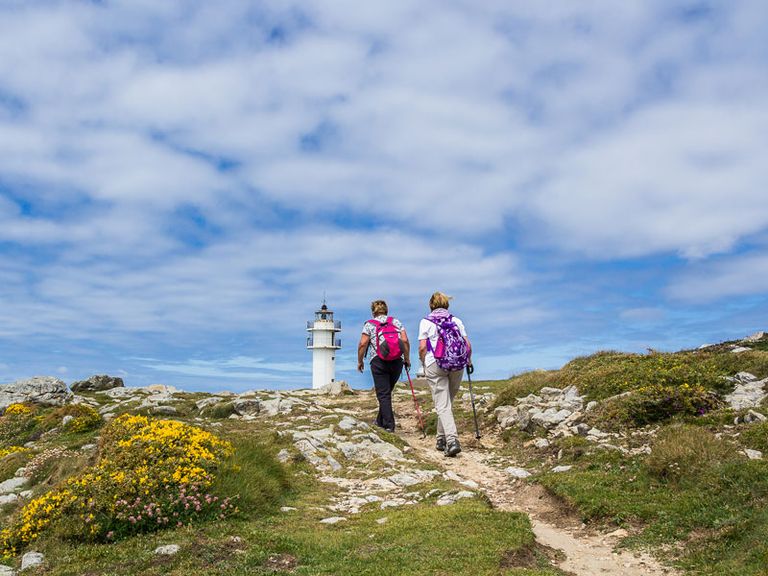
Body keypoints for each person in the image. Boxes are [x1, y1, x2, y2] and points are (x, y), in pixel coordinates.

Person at [418, 291, 472, 457]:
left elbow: (422, 347)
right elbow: (467, 344)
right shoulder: (456, 320)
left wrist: (423, 362)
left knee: (442, 404)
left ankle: (452, 440)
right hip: (457, 364)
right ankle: (441, 438)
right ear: (446, 304)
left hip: (435, 363)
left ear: (431, 305)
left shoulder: (426, 322)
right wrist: (468, 361)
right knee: (447, 403)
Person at [357, 300, 411, 432]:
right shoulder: (396, 322)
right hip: (397, 360)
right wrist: (407, 359)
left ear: (373, 312)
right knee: (386, 393)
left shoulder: (369, 324)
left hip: (378, 361)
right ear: (387, 310)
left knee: (383, 394)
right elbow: (404, 340)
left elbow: (363, 344)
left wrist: (360, 361)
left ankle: (389, 425)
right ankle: (380, 421)